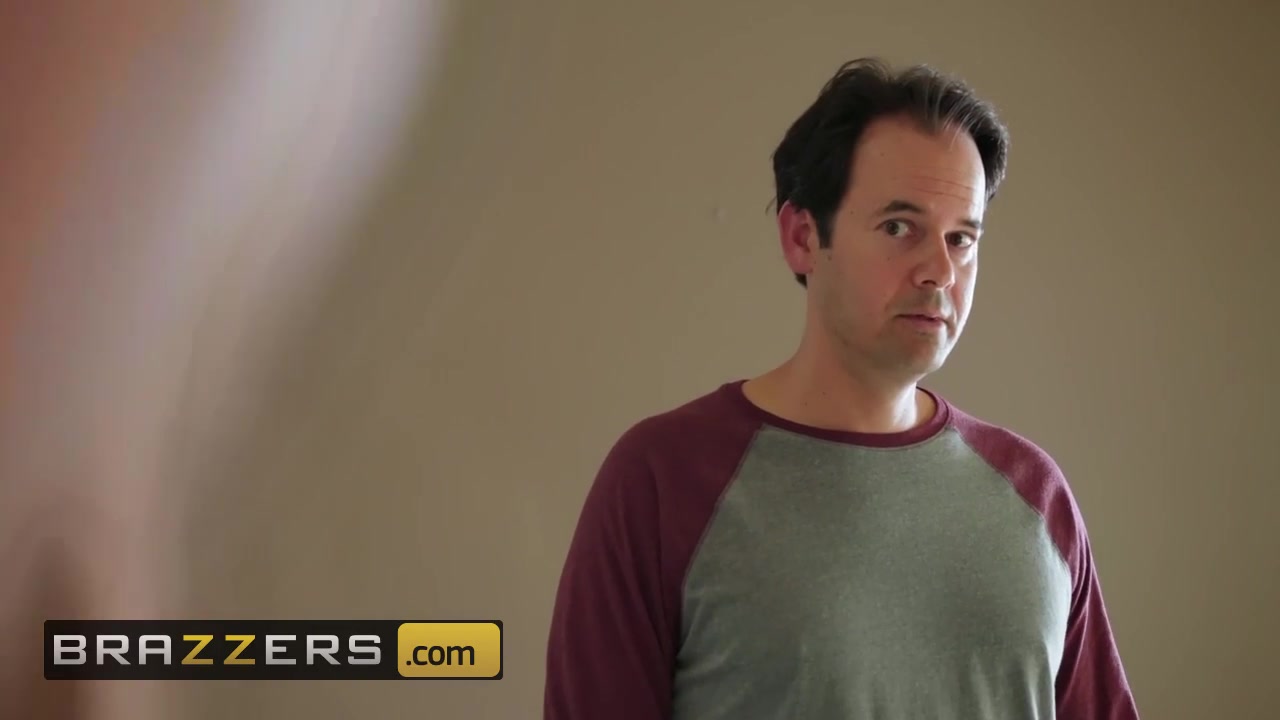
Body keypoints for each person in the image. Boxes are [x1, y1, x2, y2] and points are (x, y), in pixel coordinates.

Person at [543, 57, 1141, 719]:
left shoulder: (1035, 495)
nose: (940, 271)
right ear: (802, 237)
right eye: (899, 228)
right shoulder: (663, 478)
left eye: (961, 238)